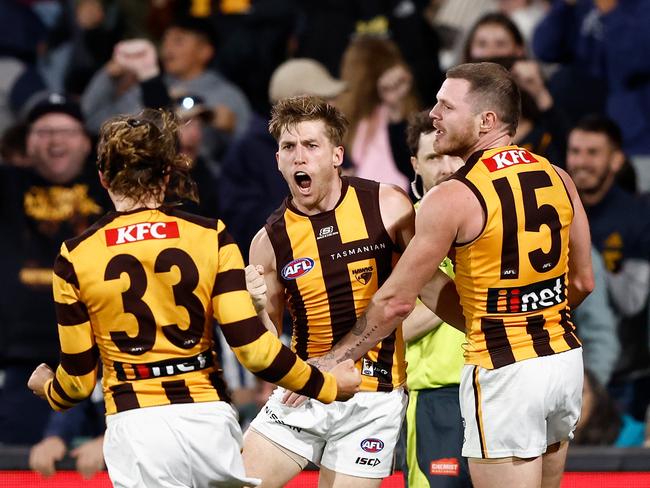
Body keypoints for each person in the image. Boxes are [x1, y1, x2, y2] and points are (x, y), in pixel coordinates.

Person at [26, 108, 360, 488]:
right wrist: (326, 385)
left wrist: (49, 389)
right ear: (167, 174)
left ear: (102, 177)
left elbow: (78, 382)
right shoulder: (211, 236)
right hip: (208, 421)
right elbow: (255, 352)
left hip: (136, 426)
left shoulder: (75, 255)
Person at [314, 62, 595, 488]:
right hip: (563, 363)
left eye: (446, 106)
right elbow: (582, 283)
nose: (434, 115)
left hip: (504, 370)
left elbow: (394, 302)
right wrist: (522, 317)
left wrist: (334, 358)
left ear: (487, 121)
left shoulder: (455, 195)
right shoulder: (559, 176)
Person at [242, 95, 416, 488]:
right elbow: (267, 350)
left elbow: (424, 292)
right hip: (303, 391)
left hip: (374, 397)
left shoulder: (387, 205)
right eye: (289, 147)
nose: (299, 157)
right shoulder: (268, 242)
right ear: (278, 161)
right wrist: (255, 308)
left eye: (310, 145)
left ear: (337, 155)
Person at [0, 92, 109, 445]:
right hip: (20, 363)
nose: (54, 140)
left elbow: (171, 169)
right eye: (44, 131)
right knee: (26, 470)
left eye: (64, 131)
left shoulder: (111, 188)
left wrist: (149, 79)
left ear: (85, 141)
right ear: (27, 142)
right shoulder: (7, 185)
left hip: (104, 362)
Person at [402, 110, 470, 487]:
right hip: (435, 398)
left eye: (452, 155)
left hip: (497, 384)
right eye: (432, 157)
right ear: (415, 164)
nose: (446, 168)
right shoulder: (397, 233)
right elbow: (392, 326)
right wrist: (466, 284)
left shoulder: (491, 223)